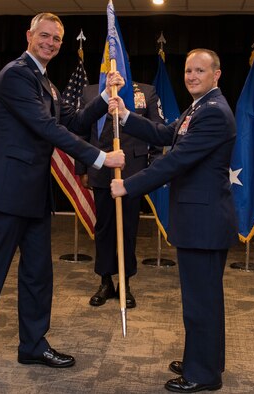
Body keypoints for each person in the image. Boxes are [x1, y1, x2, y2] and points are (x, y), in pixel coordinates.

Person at [0, 13, 125, 385]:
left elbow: (70, 123)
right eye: (44, 35)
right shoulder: (15, 75)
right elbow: (46, 128)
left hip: (33, 195)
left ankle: (32, 344)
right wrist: (100, 158)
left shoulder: (44, 81)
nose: (50, 42)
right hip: (7, 192)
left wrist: (106, 96)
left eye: (56, 39)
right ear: (28, 35)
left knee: (38, 274)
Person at [110, 48, 238, 393]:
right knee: (202, 298)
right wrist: (125, 116)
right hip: (200, 219)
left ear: (216, 75)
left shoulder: (214, 113)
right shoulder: (199, 108)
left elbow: (176, 160)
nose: (192, 76)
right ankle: (204, 358)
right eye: (188, 70)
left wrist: (128, 186)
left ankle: (203, 374)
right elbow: (167, 133)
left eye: (199, 71)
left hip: (204, 222)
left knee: (201, 301)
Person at [76, 82, 163, 309]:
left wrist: (151, 169)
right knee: (104, 228)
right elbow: (82, 132)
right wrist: (82, 169)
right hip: (101, 168)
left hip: (134, 171)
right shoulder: (91, 91)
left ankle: (125, 283)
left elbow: (157, 129)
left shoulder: (146, 91)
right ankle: (105, 281)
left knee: (128, 228)